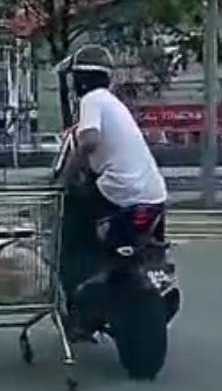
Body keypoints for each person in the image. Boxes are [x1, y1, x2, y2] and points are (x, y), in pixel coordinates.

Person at [56, 44, 167, 305]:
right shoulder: (114, 104)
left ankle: (78, 287)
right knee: (151, 245)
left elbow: (89, 142)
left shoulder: (91, 100)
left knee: (70, 221)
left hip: (119, 190)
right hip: (154, 193)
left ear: (80, 81)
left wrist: (66, 178)